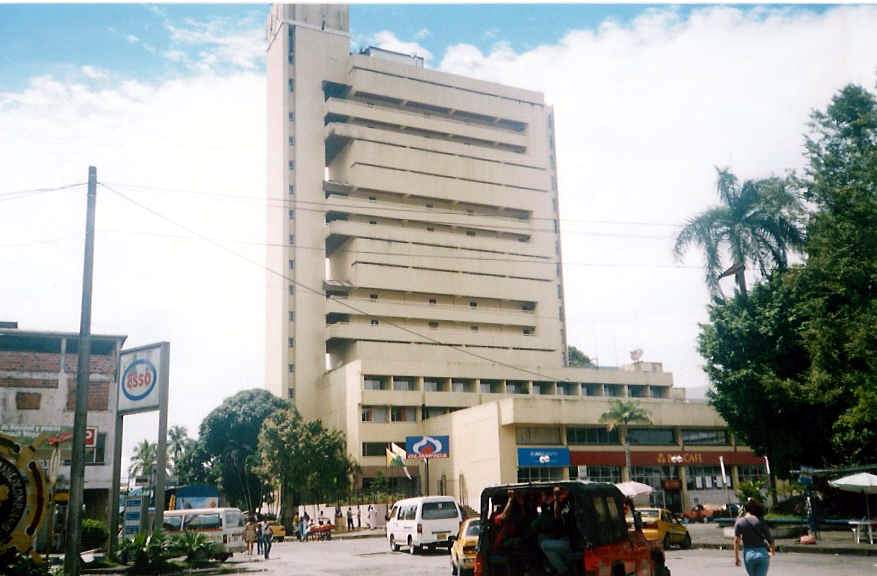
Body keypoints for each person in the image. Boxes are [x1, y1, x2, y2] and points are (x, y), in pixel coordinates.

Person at [533, 487, 571, 575]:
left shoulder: (559, 505)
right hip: (561, 542)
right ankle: (560, 570)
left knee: (543, 544)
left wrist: (556, 498)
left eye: (542, 495)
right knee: (547, 549)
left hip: (568, 542)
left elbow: (556, 514)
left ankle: (563, 571)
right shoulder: (547, 508)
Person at [734, 498, 775, 576]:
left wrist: (737, 558)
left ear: (746, 509)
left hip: (748, 555)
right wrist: (772, 551)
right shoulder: (760, 521)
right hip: (762, 554)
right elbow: (770, 539)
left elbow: (736, 541)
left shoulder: (740, 522)